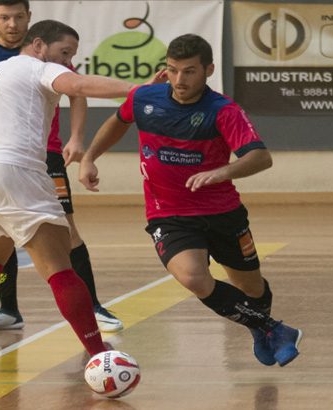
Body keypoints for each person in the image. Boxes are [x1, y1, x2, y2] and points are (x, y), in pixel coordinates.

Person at [0, 20, 146, 369]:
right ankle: (100, 356)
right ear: (38, 45)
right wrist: (138, 89)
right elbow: (79, 85)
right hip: (11, 169)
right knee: (58, 267)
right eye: (64, 53)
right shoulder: (39, 67)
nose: (66, 62)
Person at [78, 34, 303, 367]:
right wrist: (89, 157)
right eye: (172, 70)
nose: (179, 80)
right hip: (168, 214)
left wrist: (222, 172)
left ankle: (261, 328)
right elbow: (118, 121)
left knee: (250, 286)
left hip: (222, 212)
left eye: (189, 72)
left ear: (208, 70)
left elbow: (260, 157)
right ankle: (273, 329)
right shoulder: (144, 97)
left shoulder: (223, 110)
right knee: (193, 277)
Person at [0, 0, 123, 333]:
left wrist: (76, 138)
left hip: (43, 151)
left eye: (19, 17)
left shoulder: (49, 50)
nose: (12, 24)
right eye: (5, 17)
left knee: (66, 228)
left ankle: (93, 306)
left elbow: (78, 90)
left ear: (29, 20)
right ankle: (8, 308)